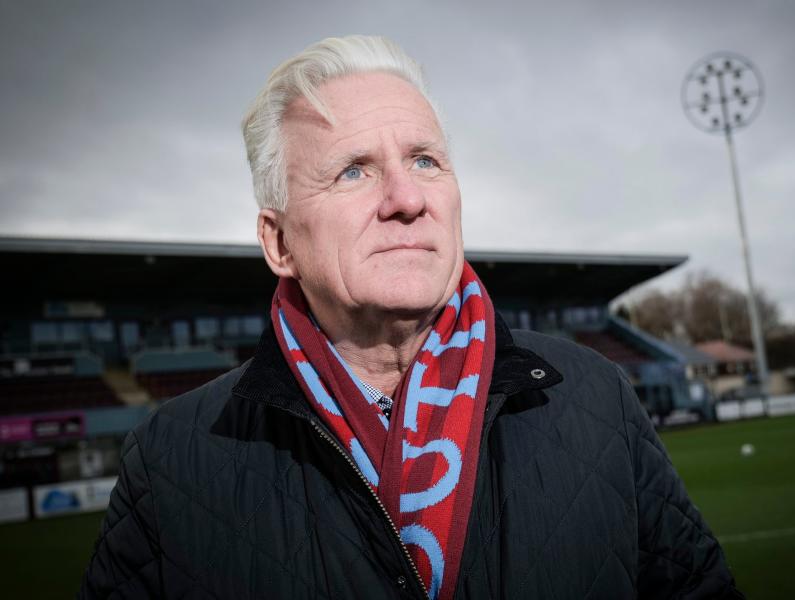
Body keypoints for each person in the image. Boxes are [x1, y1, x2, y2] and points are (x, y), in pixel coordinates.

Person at [80, 35, 741, 599]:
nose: (406, 198)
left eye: (425, 160)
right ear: (279, 243)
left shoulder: (593, 395)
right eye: (353, 172)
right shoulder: (171, 461)